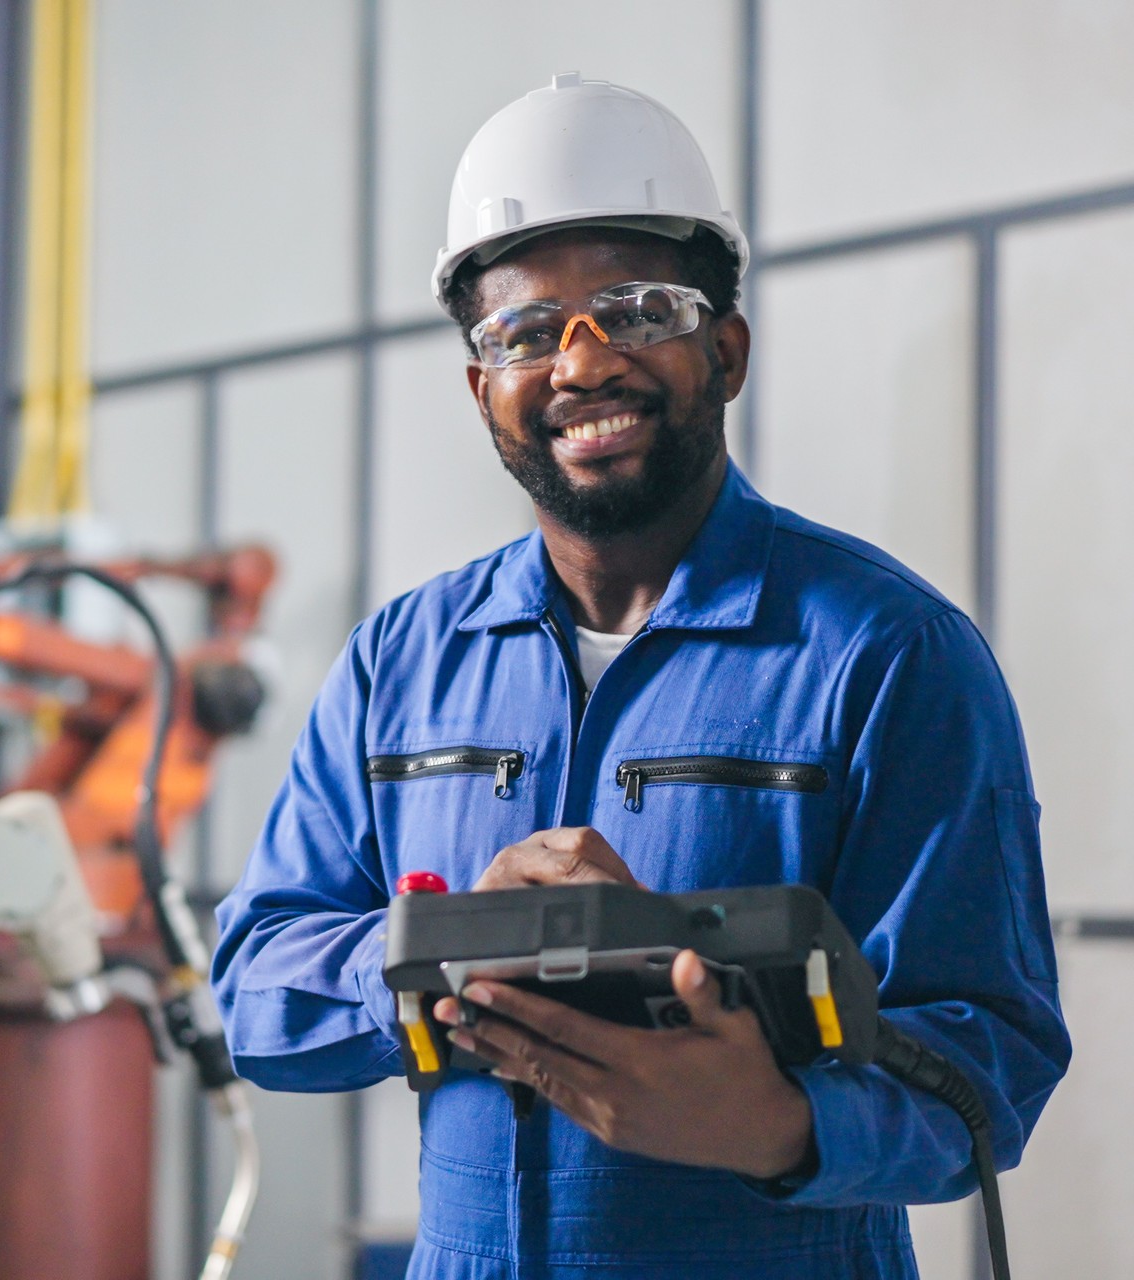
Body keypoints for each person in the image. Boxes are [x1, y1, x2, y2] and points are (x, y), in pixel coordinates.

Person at [210, 73, 1070, 1279]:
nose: (580, 361)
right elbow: (255, 995)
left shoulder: (887, 654)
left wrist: (772, 1121)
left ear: (725, 349)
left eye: (634, 308)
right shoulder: (401, 660)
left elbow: (995, 1058)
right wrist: (438, 946)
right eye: (522, 331)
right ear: (481, 388)